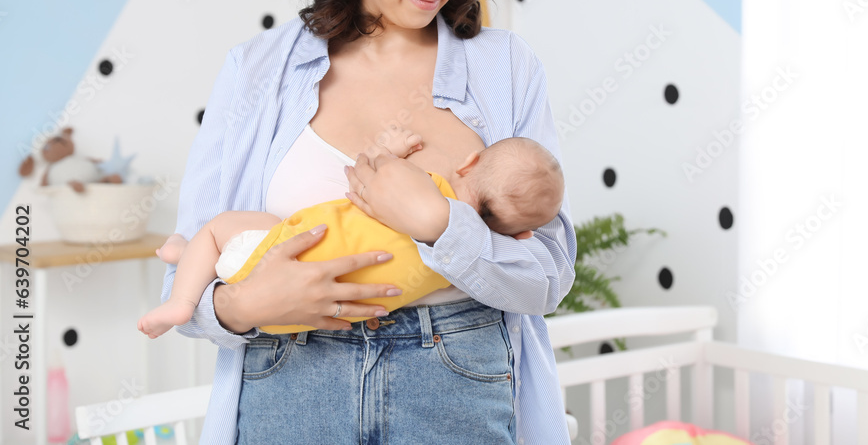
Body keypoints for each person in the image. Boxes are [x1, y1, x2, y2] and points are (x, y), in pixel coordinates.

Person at [160, 0, 576, 445]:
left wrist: (440, 224)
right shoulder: (256, 72)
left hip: (456, 370)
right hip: (290, 372)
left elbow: (548, 275)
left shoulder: (505, 69)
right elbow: (184, 282)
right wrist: (246, 307)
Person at [140, 128, 564, 337]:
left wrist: (391, 149)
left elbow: (369, 168)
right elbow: (537, 280)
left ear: (468, 163)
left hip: (274, 274)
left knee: (216, 231)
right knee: (235, 242)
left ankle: (182, 295)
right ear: (521, 236)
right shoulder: (460, 261)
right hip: (310, 322)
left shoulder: (428, 187)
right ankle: (191, 255)